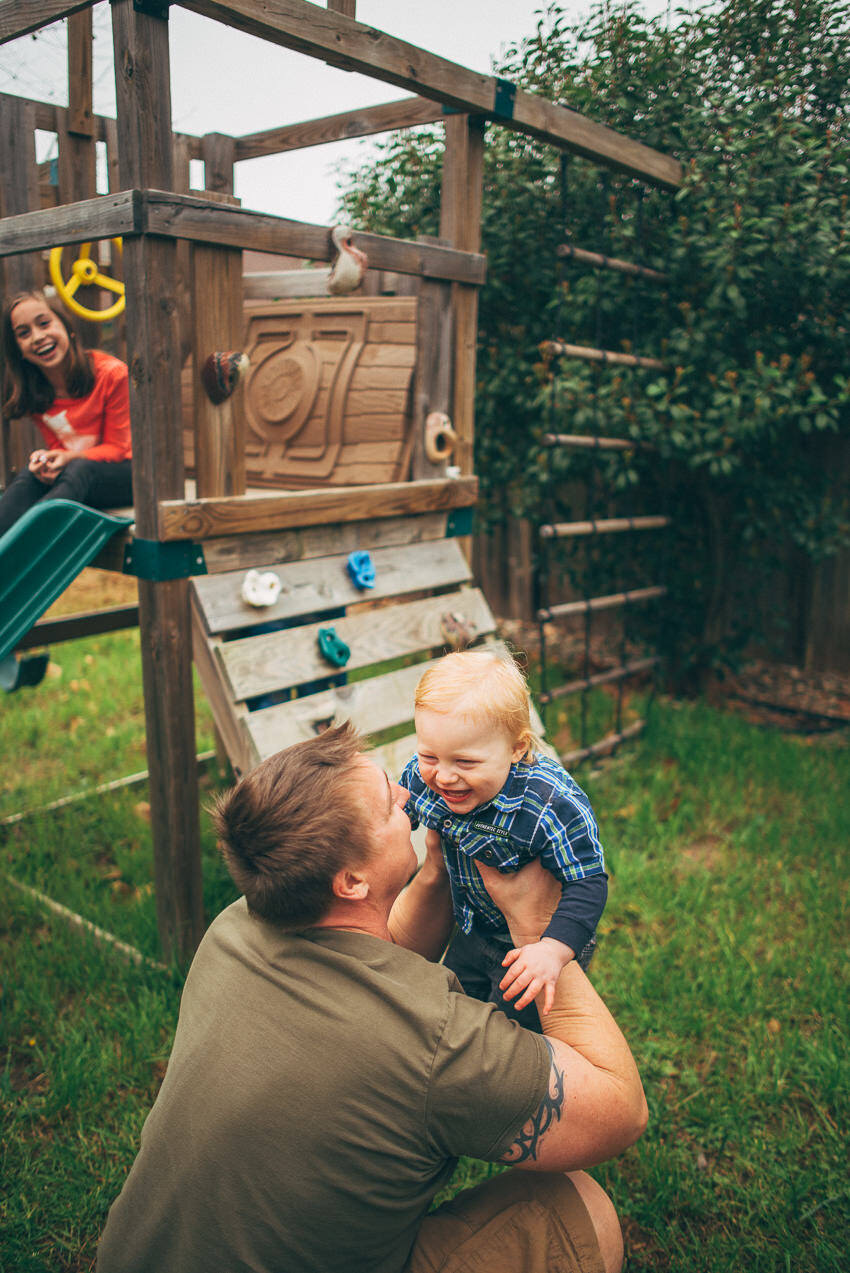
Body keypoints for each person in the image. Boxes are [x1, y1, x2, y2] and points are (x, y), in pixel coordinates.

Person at [97, 722, 647, 1273]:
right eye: (390, 803)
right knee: (578, 1209)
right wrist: (536, 931)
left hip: (134, 1256)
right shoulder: (435, 1042)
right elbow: (620, 1110)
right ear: (352, 882)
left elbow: (380, 962)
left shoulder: (235, 927)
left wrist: (436, 872)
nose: (411, 794)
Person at [401, 649, 607, 1031]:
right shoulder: (422, 776)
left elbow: (588, 881)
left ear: (517, 748)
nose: (443, 777)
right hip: (472, 925)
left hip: (535, 943)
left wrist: (552, 949)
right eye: (429, 754)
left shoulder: (550, 804)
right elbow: (396, 816)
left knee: (511, 1036)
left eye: (465, 763)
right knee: (453, 1014)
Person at [0, 290, 132, 538]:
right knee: (29, 475)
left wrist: (68, 457)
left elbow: (117, 449)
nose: (38, 337)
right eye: (24, 333)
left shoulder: (112, 374)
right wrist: (48, 461)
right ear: (17, 349)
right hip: (77, 479)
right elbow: (61, 450)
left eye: (44, 323)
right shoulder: (35, 393)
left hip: (128, 475)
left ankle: (32, 541)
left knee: (81, 469)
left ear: (68, 328)